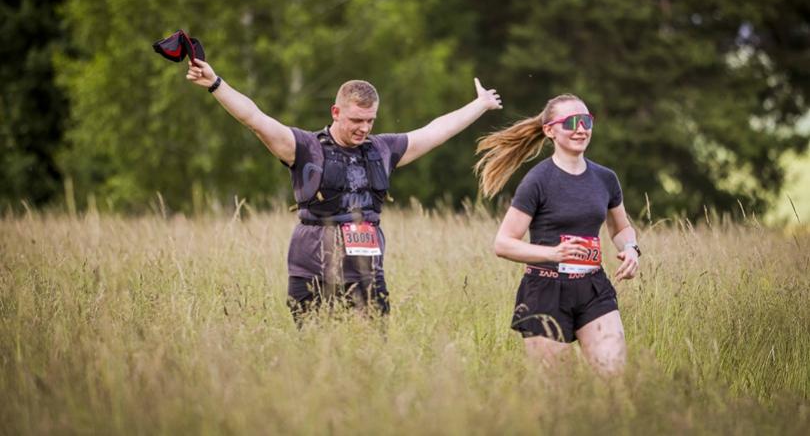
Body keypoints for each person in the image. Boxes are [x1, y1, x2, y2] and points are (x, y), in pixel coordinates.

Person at [186, 58, 502, 324]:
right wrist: (216, 83)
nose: (364, 128)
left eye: (370, 120)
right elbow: (254, 118)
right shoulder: (304, 147)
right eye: (356, 120)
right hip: (311, 269)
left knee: (370, 361)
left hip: (367, 273)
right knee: (316, 359)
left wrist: (480, 104)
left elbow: (435, 131)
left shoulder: (383, 149)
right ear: (336, 112)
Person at [474, 94, 640, 375]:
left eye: (586, 121)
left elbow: (621, 228)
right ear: (549, 130)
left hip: (593, 288)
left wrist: (632, 248)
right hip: (545, 292)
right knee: (558, 392)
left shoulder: (605, 178)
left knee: (614, 377)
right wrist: (552, 254)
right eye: (571, 122)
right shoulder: (538, 180)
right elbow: (502, 244)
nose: (581, 129)